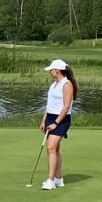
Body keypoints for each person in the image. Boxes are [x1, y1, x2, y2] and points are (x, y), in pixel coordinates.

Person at [39, 59, 77, 190]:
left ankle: (50, 181)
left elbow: (66, 107)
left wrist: (56, 123)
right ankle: (58, 179)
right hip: (50, 117)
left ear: (57, 70)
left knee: (50, 148)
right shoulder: (54, 84)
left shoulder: (67, 84)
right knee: (54, 150)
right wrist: (44, 120)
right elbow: (49, 104)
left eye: (51, 69)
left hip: (61, 119)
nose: (50, 72)